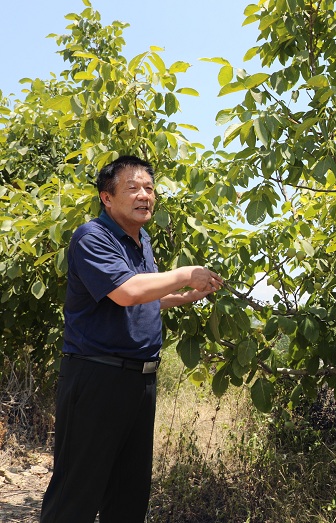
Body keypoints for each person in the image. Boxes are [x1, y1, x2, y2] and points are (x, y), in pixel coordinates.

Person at [40, 155, 224, 523]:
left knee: (129, 495)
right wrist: (186, 273)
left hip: (140, 382)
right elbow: (126, 292)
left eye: (150, 188)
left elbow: (141, 301)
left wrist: (183, 296)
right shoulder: (92, 237)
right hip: (96, 378)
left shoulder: (142, 240)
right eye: (133, 188)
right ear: (106, 198)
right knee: (75, 495)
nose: (145, 196)